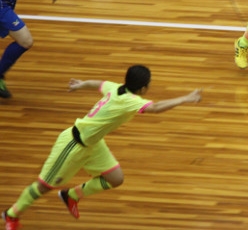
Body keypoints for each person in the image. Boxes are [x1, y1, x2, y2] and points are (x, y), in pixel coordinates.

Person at [1, 65, 202, 229]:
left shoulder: (116, 88)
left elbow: (99, 84)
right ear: (142, 89)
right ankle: (11, 214)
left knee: (115, 178)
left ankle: (71, 195)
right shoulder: (129, 101)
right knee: (43, 186)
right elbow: (156, 108)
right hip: (73, 145)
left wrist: (81, 85)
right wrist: (185, 98)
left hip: (93, 144)